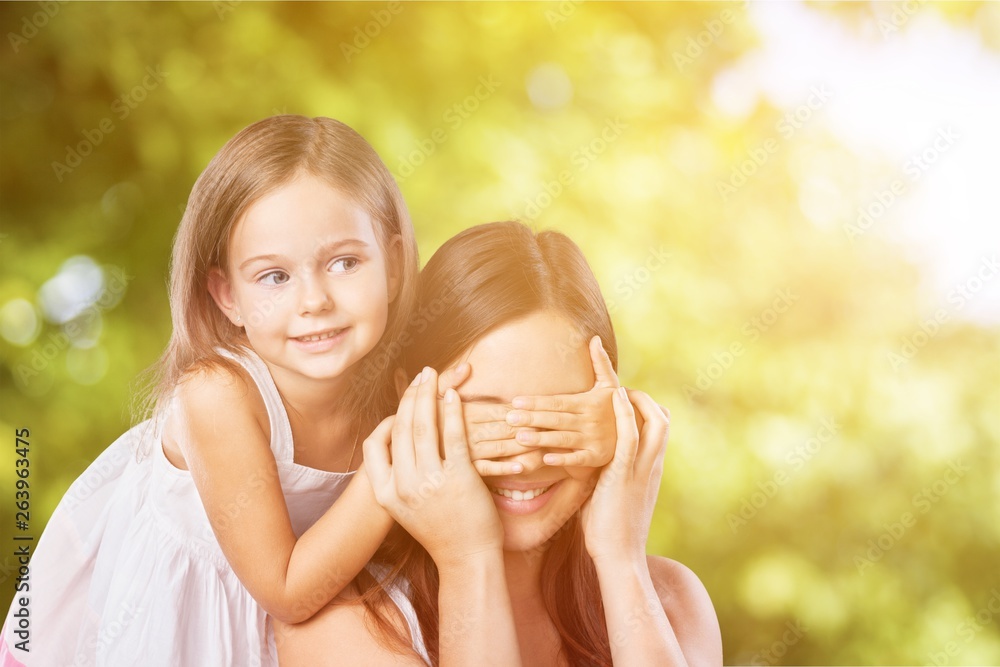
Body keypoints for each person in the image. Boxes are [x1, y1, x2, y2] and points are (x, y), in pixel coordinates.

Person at [0, 117, 625, 667]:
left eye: (345, 263)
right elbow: (287, 588)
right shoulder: (217, 396)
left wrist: (599, 428)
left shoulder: (391, 381)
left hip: (306, 628)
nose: (315, 301)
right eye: (274, 276)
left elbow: (485, 420)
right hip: (191, 616)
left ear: (395, 263)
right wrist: (389, 467)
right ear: (227, 297)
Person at [275, 221, 723, 666]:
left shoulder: (671, 601)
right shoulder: (342, 623)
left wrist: (621, 560)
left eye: (557, 416)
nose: (524, 460)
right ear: (407, 400)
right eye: (486, 415)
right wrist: (467, 558)